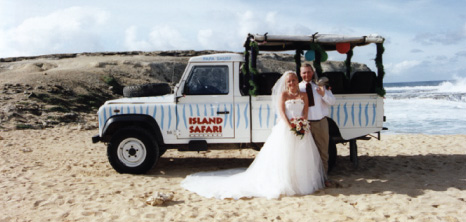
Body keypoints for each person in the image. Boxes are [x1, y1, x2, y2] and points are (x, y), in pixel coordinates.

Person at [181, 71, 325, 199]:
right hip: (286, 128)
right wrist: (291, 126)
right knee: (284, 156)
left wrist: (302, 124)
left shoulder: (303, 95)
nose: (292, 82)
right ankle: (286, 183)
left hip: (301, 128)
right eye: (289, 81)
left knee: (301, 156)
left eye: (294, 80)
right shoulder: (283, 95)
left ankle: (300, 183)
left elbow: (305, 111)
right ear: (286, 83)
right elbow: (281, 112)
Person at [298, 63, 336, 186]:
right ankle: (309, 179)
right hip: (306, 124)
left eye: (308, 72)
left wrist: (323, 94)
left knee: (323, 152)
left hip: (321, 123)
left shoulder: (321, 86)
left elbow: (332, 102)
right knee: (306, 154)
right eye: (304, 72)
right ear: (300, 74)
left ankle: (324, 178)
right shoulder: (298, 88)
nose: (306, 75)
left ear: (312, 72)